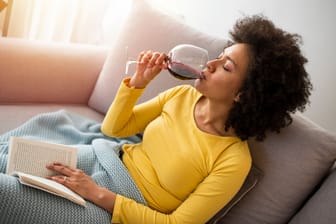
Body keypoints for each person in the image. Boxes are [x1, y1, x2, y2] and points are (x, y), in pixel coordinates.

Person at [46, 14, 312, 223]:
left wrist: (98, 194)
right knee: (10, 155)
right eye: (219, 57)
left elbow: (176, 223)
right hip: (107, 162)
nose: (210, 64)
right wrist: (136, 84)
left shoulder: (233, 161)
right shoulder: (181, 95)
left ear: (243, 94)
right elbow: (113, 128)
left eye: (226, 66)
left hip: (118, 208)